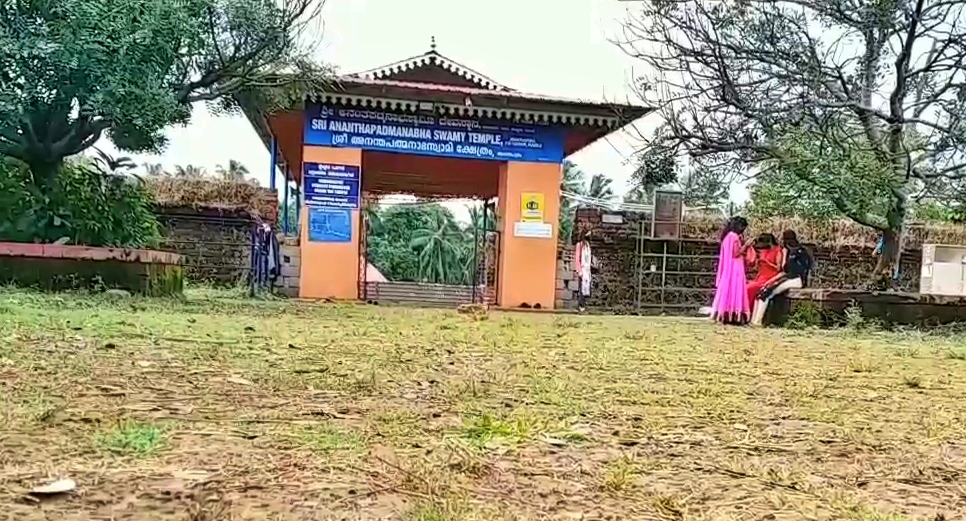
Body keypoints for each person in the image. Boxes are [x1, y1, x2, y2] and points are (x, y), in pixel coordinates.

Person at [750, 230, 813, 326]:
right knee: (762, 292)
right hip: (788, 277)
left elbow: (799, 270)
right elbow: (784, 272)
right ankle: (753, 321)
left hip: (797, 279)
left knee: (767, 293)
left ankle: (757, 321)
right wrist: (770, 281)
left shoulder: (801, 252)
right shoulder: (788, 251)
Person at [711, 217, 754, 324]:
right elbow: (736, 253)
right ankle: (734, 314)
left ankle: (725, 313)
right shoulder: (734, 237)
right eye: (743, 227)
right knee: (736, 289)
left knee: (728, 289)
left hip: (728, 267)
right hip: (735, 267)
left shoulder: (726, 237)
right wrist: (746, 245)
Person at [745, 233, 782, 307]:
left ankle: (748, 308)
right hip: (761, 276)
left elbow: (779, 268)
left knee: (749, 288)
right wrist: (758, 262)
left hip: (771, 276)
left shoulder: (778, 251)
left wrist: (768, 263)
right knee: (745, 286)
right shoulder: (764, 250)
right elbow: (756, 267)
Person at [574, 232, 595, 312]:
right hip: (582, 270)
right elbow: (577, 258)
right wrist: (579, 270)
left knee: (587, 288)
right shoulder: (579, 245)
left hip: (587, 270)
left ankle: (584, 304)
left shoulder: (588, 246)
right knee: (581, 288)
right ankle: (581, 305)